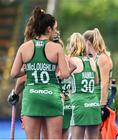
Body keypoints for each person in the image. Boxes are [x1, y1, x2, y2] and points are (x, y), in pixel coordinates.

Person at [8, 7, 70, 139]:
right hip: (51, 97)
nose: (55, 31)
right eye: (54, 28)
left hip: (32, 98)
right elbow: (64, 74)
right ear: (48, 29)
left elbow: (13, 74)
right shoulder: (57, 47)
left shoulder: (24, 47)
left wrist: (31, 68)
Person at [67, 32, 101, 139]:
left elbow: (62, 78)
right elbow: (96, 82)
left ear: (72, 45)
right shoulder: (91, 61)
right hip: (93, 103)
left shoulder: (71, 60)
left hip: (79, 103)